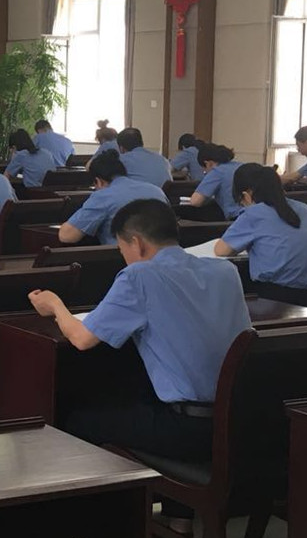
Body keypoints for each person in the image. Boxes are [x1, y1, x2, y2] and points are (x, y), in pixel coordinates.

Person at [28, 199, 251, 467]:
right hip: (239, 418)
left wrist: (55, 305)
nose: (123, 257)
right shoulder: (226, 271)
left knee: (77, 420)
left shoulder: (139, 275)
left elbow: (82, 339)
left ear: (137, 243)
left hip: (188, 428)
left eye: (122, 249)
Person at [214, 164, 307, 304]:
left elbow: (221, 251)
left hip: (275, 297)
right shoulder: (306, 209)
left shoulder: (254, 213)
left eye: (240, 202)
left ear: (246, 195)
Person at [58, 150, 169, 245]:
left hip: (122, 258)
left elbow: (67, 236)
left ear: (98, 181)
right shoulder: (156, 190)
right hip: (163, 256)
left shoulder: (103, 196)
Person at [188, 144, 244, 219]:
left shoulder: (217, 171)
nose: (205, 172)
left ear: (208, 163)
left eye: (204, 170)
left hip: (235, 217)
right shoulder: (241, 165)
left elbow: (195, 201)